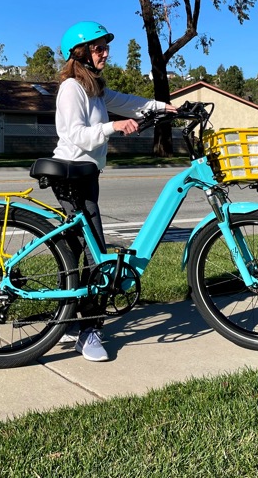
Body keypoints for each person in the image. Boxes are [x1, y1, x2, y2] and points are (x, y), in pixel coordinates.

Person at [50, 21, 175, 362]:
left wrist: (163, 107)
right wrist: (113, 127)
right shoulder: (71, 88)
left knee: (75, 249)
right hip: (72, 174)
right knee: (95, 253)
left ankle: (69, 320)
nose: (105, 52)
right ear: (80, 53)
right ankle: (89, 329)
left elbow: (129, 102)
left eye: (105, 46)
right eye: (97, 47)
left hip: (86, 174)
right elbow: (75, 133)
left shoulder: (94, 88)